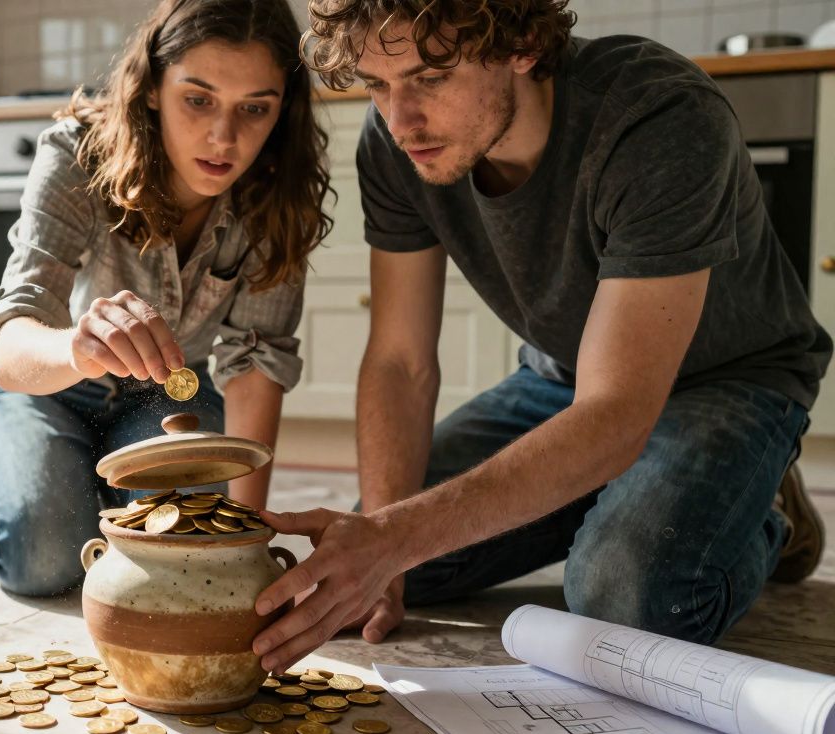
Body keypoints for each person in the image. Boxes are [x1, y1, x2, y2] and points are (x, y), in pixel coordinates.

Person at [251, 0, 831, 670]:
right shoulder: (392, 145)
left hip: (728, 380)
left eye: (430, 78)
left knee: (625, 595)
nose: (399, 120)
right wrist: (384, 539)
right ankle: (608, 483)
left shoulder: (658, 115)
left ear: (523, 42)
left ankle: (765, 511)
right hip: (564, 379)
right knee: (391, 554)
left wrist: (393, 536)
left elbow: (616, 412)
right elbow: (400, 361)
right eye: (377, 85)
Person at [0, 0, 332, 597]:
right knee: (44, 557)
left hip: (168, 392)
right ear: (154, 87)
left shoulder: (280, 198)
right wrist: (80, 349)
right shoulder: (76, 154)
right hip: (44, 382)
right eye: (198, 98)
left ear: (282, 110)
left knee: (191, 548)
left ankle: (86, 477)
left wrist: (244, 537)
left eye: (254, 109)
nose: (224, 138)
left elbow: (256, 368)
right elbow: (11, 344)